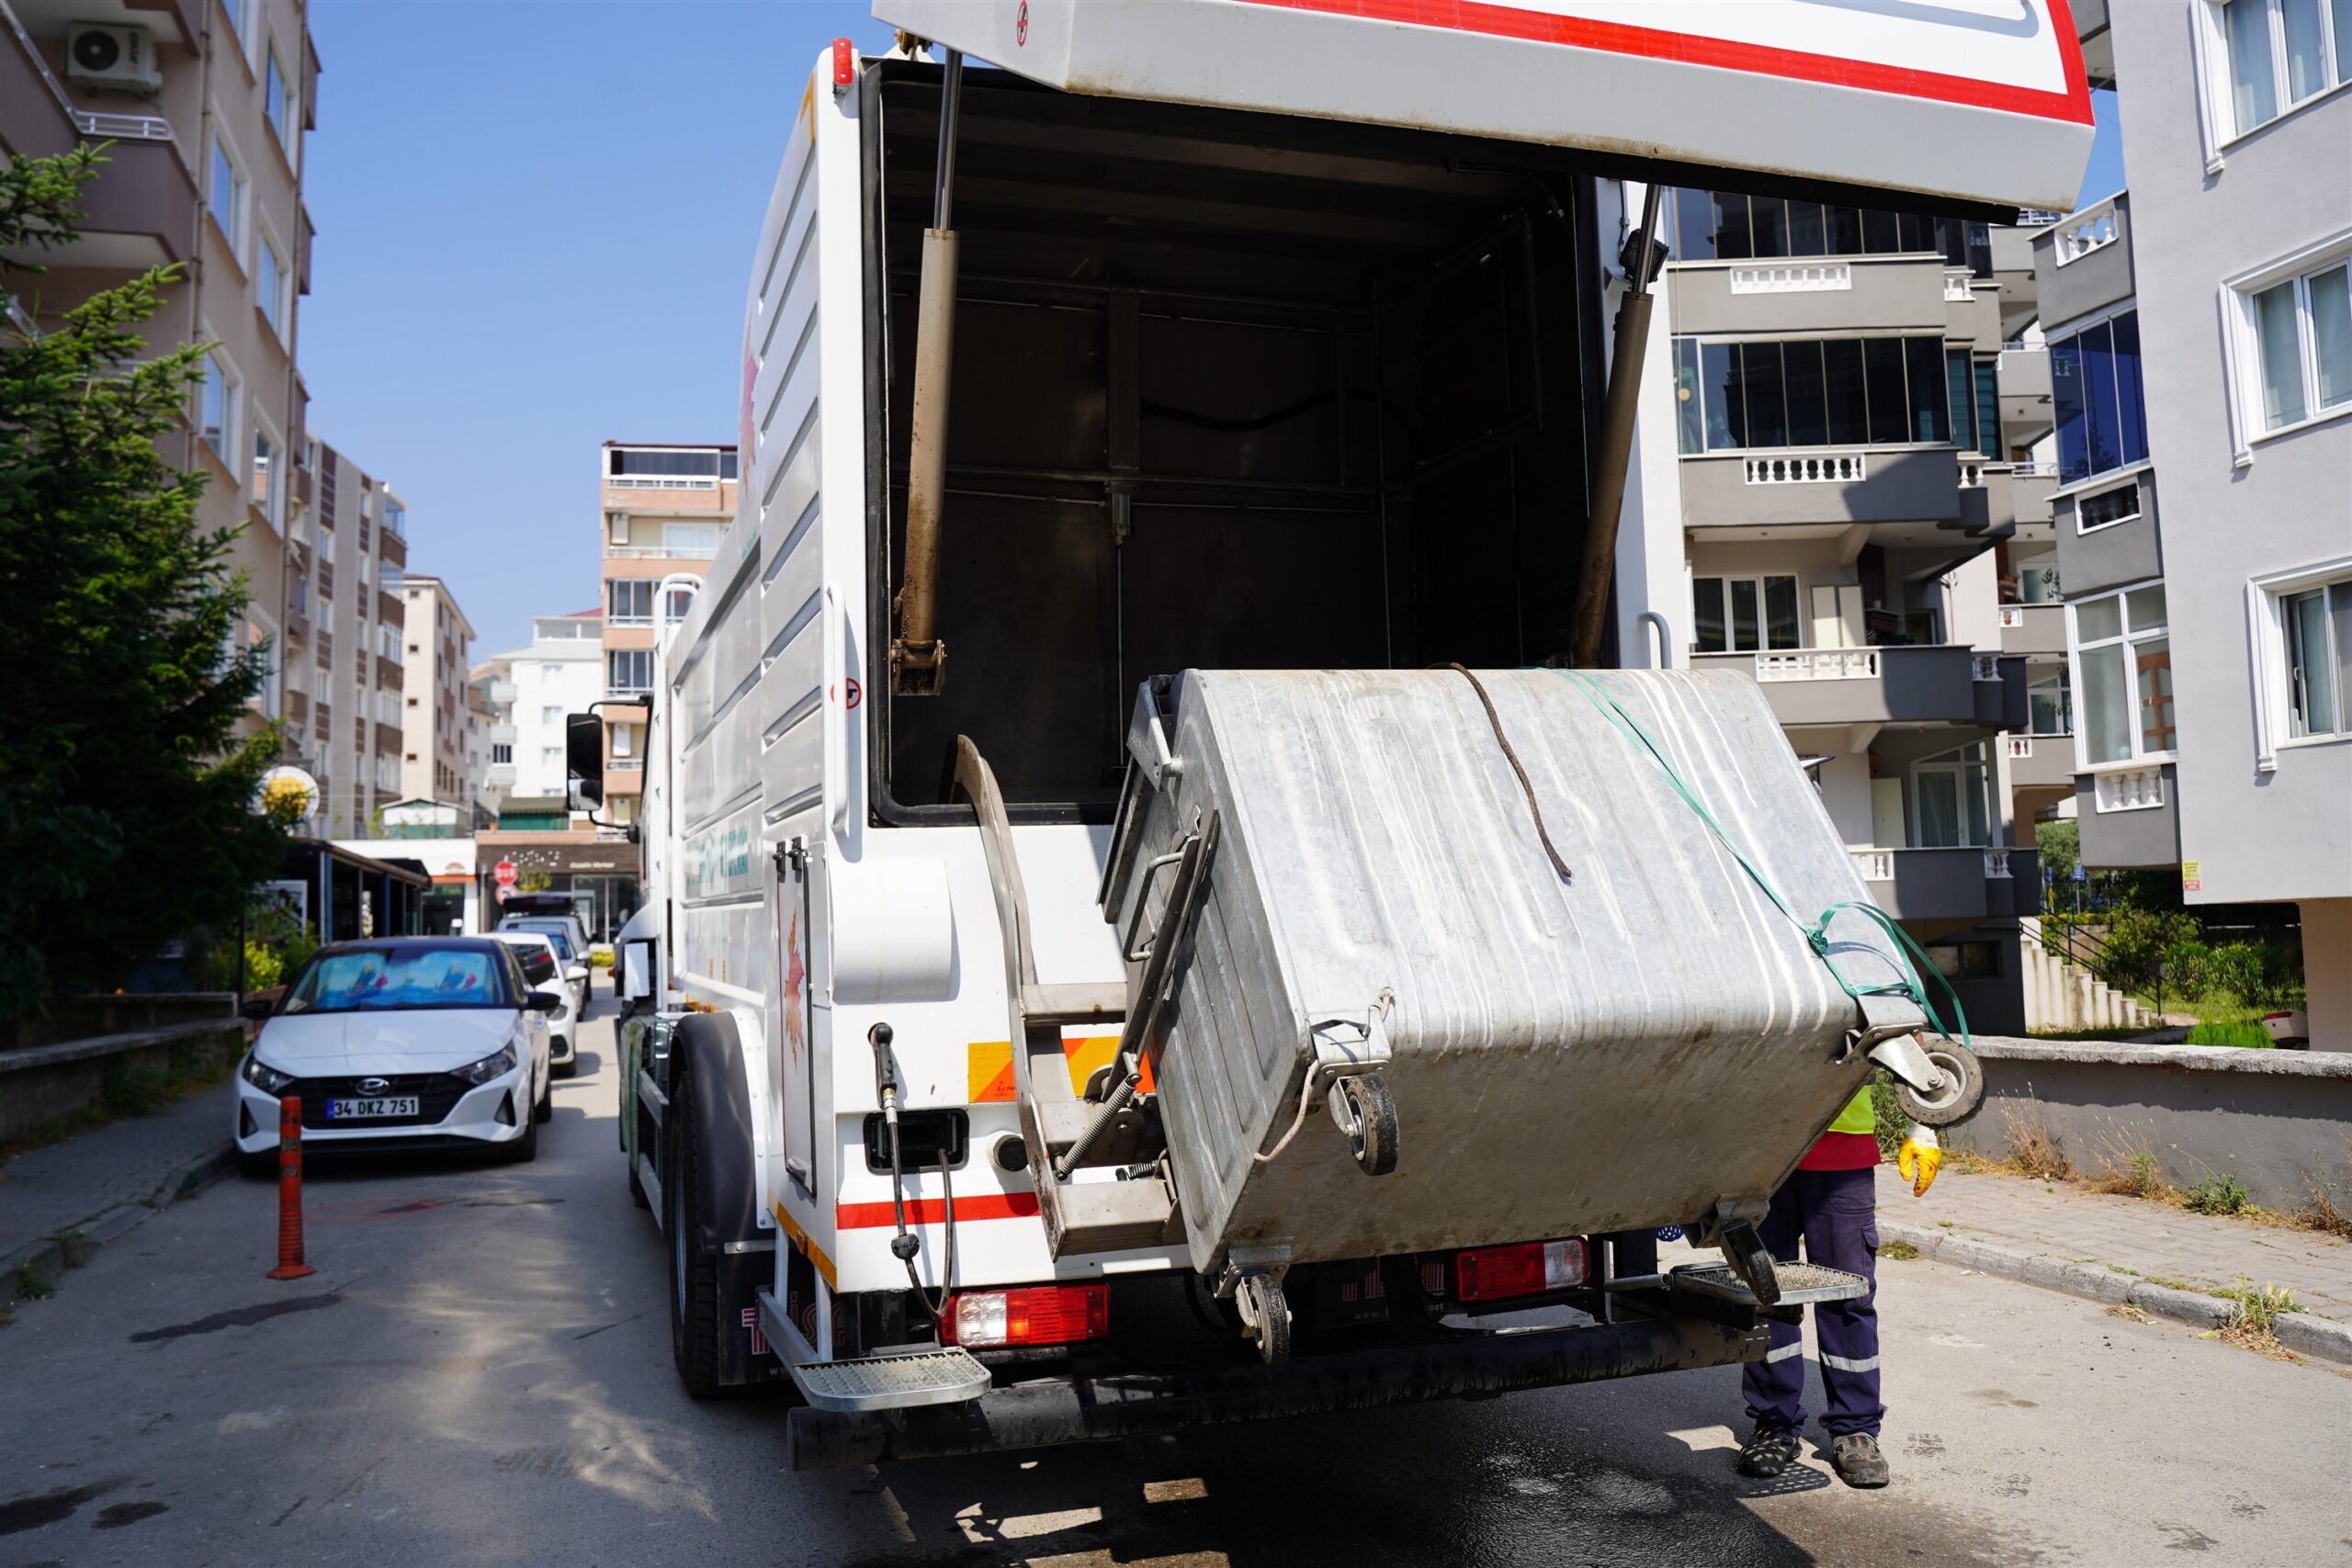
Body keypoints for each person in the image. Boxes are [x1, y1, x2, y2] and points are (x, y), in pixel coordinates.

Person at [1736, 1085, 1939, 1489]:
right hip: (1762, 1151)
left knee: (1849, 1298)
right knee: (1767, 1295)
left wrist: (1923, 1126)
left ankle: (1856, 1428)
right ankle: (1773, 1424)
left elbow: (1916, 1054)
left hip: (1843, 1150)